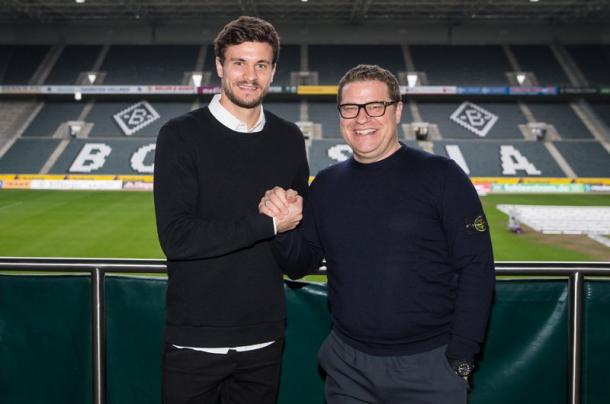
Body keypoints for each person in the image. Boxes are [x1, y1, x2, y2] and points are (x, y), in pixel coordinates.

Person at [260, 64, 495, 403]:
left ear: (397, 110)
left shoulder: (442, 176)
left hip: (429, 366)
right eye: (350, 108)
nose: (361, 118)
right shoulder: (326, 185)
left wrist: (461, 358)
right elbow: (299, 263)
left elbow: (477, 267)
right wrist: (279, 226)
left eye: (375, 106)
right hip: (347, 366)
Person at [153, 16, 308, 404]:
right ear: (220, 66)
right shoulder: (179, 135)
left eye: (261, 64)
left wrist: (295, 220)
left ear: (273, 71)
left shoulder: (289, 138)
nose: (250, 75)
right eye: (239, 62)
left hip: (265, 337)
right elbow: (177, 238)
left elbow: (297, 253)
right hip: (195, 341)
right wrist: (267, 223)